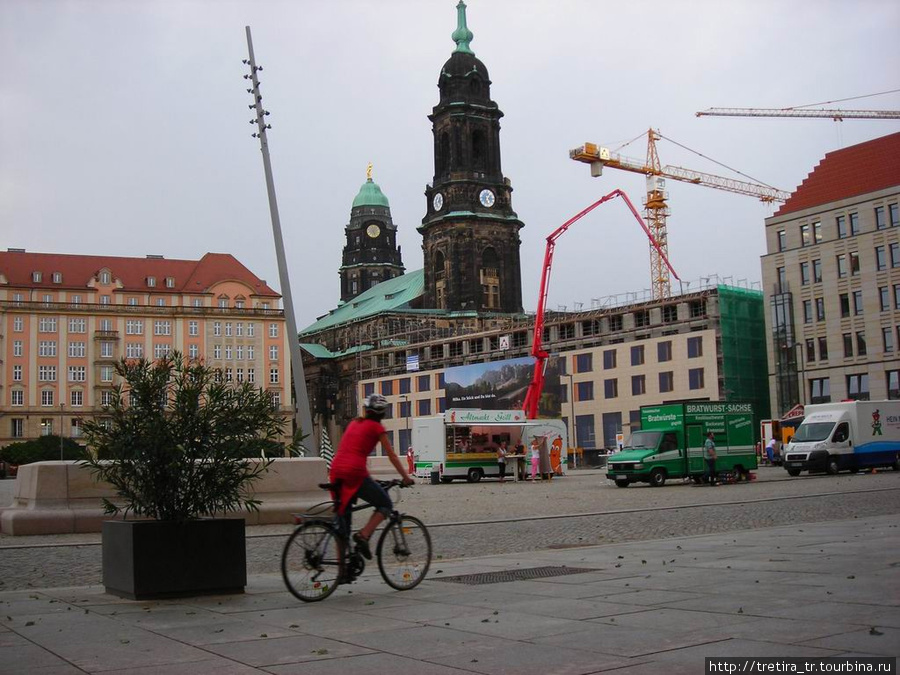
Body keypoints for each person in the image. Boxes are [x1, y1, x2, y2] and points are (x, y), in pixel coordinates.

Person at [329, 394, 414, 560]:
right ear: (382, 413)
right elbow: (392, 456)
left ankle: (342, 569)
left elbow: (352, 451)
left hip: (336, 470)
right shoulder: (377, 428)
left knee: (343, 521)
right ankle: (364, 535)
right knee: (385, 504)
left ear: (367, 410)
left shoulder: (354, 423)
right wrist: (406, 477)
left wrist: (369, 478)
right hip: (354, 472)